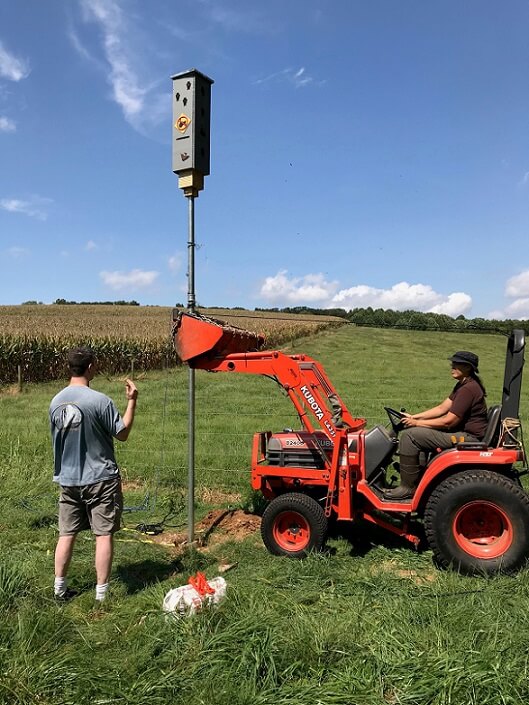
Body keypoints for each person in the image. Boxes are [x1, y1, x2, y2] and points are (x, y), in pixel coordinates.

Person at [49, 347, 138, 602]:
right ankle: (101, 596)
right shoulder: (99, 400)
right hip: (100, 479)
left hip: (68, 479)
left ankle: (59, 590)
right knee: (103, 534)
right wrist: (132, 401)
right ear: (90, 367)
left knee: (66, 534)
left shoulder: (55, 402)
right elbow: (122, 433)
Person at [384, 350, 488, 500]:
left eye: (457, 364)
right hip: (463, 433)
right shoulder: (463, 385)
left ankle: (407, 487)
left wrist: (417, 423)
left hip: (468, 438)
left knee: (410, 436)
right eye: (453, 363)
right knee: (415, 429)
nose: (452, 366)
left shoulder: (468, 389)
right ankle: (417, 478)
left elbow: (449, 421)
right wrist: (414, 417)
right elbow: (441, 408)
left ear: (468, 367)